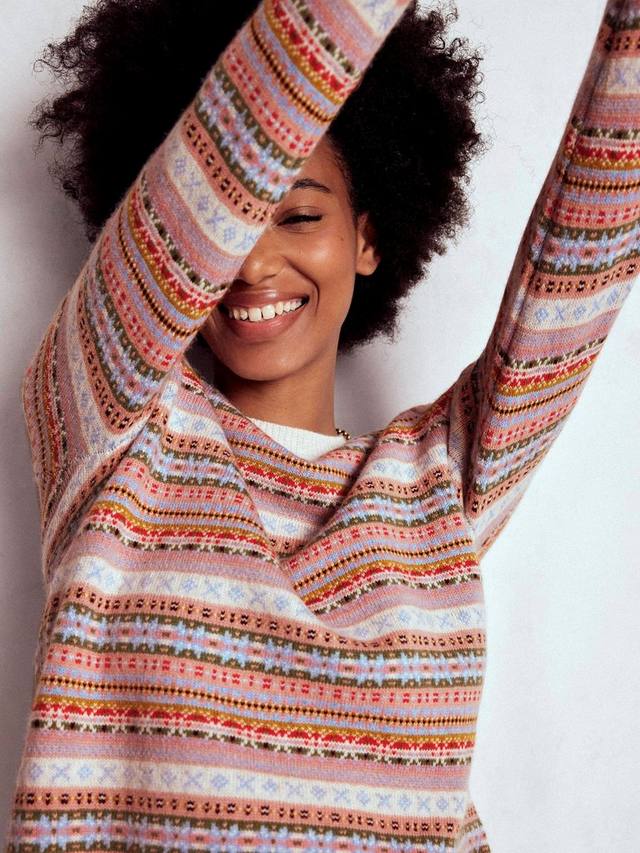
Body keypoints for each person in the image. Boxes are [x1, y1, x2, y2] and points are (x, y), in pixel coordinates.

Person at [4, 0, 637, 850]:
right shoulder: (107, 424)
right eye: (228, 226)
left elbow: (586, 259)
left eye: (299, 216)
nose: (254, 262)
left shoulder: (437, 483)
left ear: (367, 239)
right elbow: (225, 153)